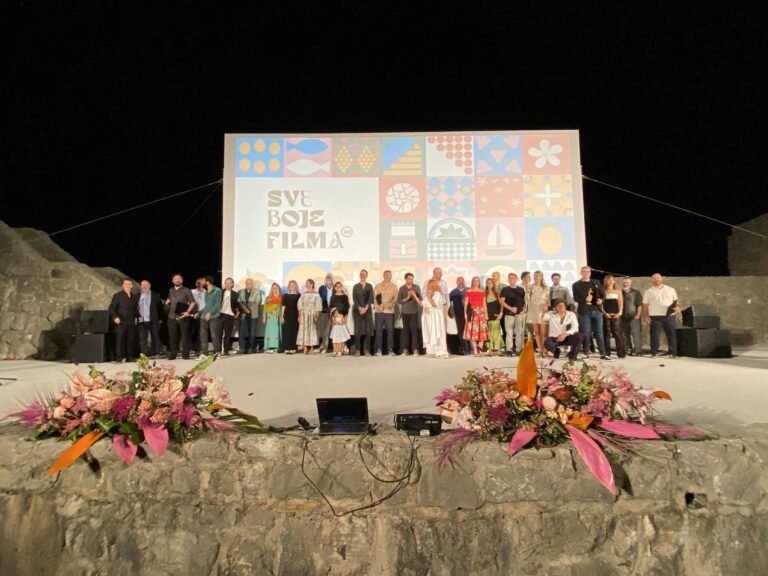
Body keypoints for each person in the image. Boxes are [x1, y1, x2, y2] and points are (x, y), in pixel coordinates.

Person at [572, 266, 610, 360]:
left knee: (599, 332)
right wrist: (585, 299)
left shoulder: (596, 282)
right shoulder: (576, 285)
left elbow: (603, 294)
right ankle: (586, 353)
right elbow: (576, 298)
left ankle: (603, 354)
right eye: (584, 271)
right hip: (584, 311)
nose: (586, 273)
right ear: (581, 273)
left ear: (590, 273)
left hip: (597, 310)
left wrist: (601, 300)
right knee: (586, 333)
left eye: (588, 271)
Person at [643, 273, 679, 358]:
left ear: (661, 278)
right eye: (654, 278)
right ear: (652, 280)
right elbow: (645, 305)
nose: (656, 279)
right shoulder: (648, 291)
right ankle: (654, 353)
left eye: (658, 278)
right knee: (655, 336)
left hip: (669, 316)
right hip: (655, 316)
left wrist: (677, 308)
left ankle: (673, 353)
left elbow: (676, 302)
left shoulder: (671, 289)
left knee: (671, 334)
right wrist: (646, 316)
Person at [108, 278, 139, 363]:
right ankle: (119, 358)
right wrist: (115, 317)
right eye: (126, 284)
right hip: (121, 321)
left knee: (130, 341)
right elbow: (111, 308)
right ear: (122, 285)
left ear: (132, 286)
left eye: (129, 284)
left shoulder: (134, 297)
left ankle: (130, 357)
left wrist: (138, 316)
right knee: (120, 340)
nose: (127, 285)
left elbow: (135, 310)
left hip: (131, 322)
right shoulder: (117, 295)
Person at [166, 274, 195, 360]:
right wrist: (166, 304)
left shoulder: (186, 290)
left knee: (185, 336)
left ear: (182, 280)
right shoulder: (170, 290)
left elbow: (192, 302)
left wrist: (188, 312)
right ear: (172, 281)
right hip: (172, 316)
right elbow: (169, 299)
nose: (177, 280)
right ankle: (173, 354)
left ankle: (185, 354)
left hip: (183, 316)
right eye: (175, 279)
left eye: (179, 279)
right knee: (172, 336)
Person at [500, 272, 526, 356]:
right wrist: (511, 308)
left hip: (519, 314)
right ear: (508, 279)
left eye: (513, 278)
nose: (511, 279)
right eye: (510, 278)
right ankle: (509, 350)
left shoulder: (521, 290)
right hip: (508, 314)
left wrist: (523, 310)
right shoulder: (505, 290)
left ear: (516, 279)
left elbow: (524, 302)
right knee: (509, 332)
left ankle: (518, 349)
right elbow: (502, 302)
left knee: (519, 332)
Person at [421, 279, 449, 358]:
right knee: (431, 332)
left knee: (437, 332)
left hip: (436, 316)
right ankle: (432, 351)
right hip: (429, 316)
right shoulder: (429, 294)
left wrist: (428, 296)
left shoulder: (437, 294)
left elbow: (435, 304)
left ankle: (441, 352)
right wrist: (415, 296)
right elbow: (423, 303)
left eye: (429, 285)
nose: (427, 286)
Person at [137, 280, 164, 358]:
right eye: (143, 285)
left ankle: (157, 353)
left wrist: (160, 318)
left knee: (155, 337)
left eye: (146, 285)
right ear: (140, 286)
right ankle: (144, 354)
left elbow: (160, 308)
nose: (144, 286)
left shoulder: (156, 295)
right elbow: (134, 308)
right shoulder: (137, 296)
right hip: (141, 321)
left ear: (150, 286)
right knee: (142, 338)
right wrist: (137, 316)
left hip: (153, 320)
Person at [373, 270, 398, 356]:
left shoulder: (394, 287)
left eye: (390, 275)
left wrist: (387, 305)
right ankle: (378, 350)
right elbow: (374, 299)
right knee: (378, 331)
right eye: (387, 275)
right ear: (383, 276)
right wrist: (378, 307)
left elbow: (395, 300)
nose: (389, 277)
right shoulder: (377, 286)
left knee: (390, 331)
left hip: (389, 312)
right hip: (379, 312)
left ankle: (390, 350)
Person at [601, 274, 626, 358]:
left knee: (617, 333)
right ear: (606, 281)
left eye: (612, 280)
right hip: (606, 315)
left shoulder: (618, 290)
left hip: (616, 314)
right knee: (607, 334)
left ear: (614, 281)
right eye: (609, 280)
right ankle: (607, 353)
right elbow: (601, 304)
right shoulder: (603, 290)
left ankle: (621, 353)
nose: (610, 281)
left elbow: (620, 302)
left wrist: (619, 312)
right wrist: (605, 313)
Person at [463, 276, 488, 357]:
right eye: (475, 281)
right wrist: (465, 314)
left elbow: (484, 304)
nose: (476, 282)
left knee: (482, 331)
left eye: (477, 281)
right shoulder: (468, 291)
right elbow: (466, 304)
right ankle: (475, 350)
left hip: (481, 313)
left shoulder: (482, 291)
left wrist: (486, 314)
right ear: (472, 282)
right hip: (472, 313)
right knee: (472, 332)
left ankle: (480, 349)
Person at [398, 273, 422, 357]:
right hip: (405, 312)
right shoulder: (402, 288)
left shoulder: (416, 287)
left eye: (412, 279)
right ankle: (405, 349)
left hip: (414, 312)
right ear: (405, 279)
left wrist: (414, 295)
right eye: (409, 279)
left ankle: (415, 349)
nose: (411, 280)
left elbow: (420, 299)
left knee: (414, 330)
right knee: (405, 331)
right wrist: (408, 297)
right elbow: (399, 301)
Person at [352, 270, 375, 356]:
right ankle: (358, 350)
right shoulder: (355, 286)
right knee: (357, 330)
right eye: (361, 274)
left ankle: (367, 350)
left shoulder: (369, 286)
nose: (362, 275)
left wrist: (365, 308)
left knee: (368, 330)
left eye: (364, 274)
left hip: (367, 310)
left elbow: (371, 298)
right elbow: (354, 299)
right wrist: (359, 308)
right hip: (357, 310)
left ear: (367, 275)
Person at [296, 279, 322, 354]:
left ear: (312, 284)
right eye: (306, 283)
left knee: (312, 330)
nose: (306, 284)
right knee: (304, 330)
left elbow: (318, 305)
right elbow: (300, 305)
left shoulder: (316, 294)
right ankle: (305, 347)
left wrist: (317, 314)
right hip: (304, 313)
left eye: (307, 283)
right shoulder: (303, 294)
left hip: (312, 313)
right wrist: (299, 316)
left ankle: (311, 348)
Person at [199, 275, 222, 356]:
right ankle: (205, 353)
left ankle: (217, 352)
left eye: (203, 281)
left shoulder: (217, 291)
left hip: (214, 316)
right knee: (203, 335)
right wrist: (199, 312)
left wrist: (210, 313)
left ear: (207, 282)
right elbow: (204, 305)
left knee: (214, 334)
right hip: (203, 316)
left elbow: (217, 304)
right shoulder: (205, 292)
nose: (201, 283)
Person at [528, 271, 550, 359]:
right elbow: (528, 299)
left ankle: (545, 350)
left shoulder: (546, 288)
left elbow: (548, 300)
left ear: (541, 277)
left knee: (543, 333)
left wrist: (547, 306)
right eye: (534, 276)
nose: (535, 278)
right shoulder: (531, 287)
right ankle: (540, 351)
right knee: (536, 332)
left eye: (537, 276)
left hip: (542, 310)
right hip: (533, 310)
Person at [621, 277, 644, 356]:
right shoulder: (619, 292)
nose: (625, 284)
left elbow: (639, 305)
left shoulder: (636, 293)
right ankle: (628, 350)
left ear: (630, 283)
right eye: (624, 282)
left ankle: (638, 351)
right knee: (624, 334)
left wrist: (638, 315)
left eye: (627, 282)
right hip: (623, 317)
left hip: (634, 317)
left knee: (636, 334)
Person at [238, 278, 261, 354]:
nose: (248, 285)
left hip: (253, 314)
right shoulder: (241, 291)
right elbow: (240, 302)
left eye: (250, 283)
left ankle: (251, 348)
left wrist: (249, 309)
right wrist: (245, 309)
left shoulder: (257, 291)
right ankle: (242, 348)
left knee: (252, 332)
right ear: (245, 284)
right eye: (247, 283)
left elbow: (257, 302)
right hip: (244, 314)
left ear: (253, 284)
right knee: (242, 331)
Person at [329, 282, 351, 357]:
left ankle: (340, 350)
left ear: (342, 287)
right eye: (337, 286)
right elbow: (331, 307)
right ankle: (335, 350)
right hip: (335, 317)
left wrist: (345, 317)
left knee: (341, 335)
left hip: (342, 317)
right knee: (336, 335)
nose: (338, 288)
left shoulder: (345, 296)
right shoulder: (333, 296)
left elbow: (347, 307)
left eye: (340, 286)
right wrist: (332, 318)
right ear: (335, 288)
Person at [220, 277, 240, 355]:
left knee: (228, 334)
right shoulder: (220, 292)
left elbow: (237, 305)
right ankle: (218, 350)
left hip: (230, 315)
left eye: (229, 283)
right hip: (220, 314)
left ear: (232, 284)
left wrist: (237, 312)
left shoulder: (236, 294)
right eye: (226, 283)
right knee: (218, 333)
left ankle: (225, 350)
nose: (227, 284)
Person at [449, 277, 469, 355]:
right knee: (461, 331)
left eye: (462, 281)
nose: (461, 282)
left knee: (469, 330)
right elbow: (448, 303)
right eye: (459, 281)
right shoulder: (453, 292)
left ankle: (471, 348)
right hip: (459, 314)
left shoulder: (469, 290)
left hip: (469, 314)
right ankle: (464, 348)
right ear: (456, 282)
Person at [317, 273, 335, 354]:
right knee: (325, 330)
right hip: (324, 311)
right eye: (327, 278)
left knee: (335, 330)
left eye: (330, 278)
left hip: (334, 312)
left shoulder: (335, 288)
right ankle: (324, 346)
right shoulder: (322, 288)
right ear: (325, 280)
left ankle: (335, 347)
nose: (329, 279)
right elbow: (320, 299)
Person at [262, 283, 283, 353]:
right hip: (270, 317)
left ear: (279, 289)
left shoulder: (281, 298)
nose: (275, 289)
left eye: (276, 288)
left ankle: (277, 347)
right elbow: (265, 309)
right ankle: (268, 347)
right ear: (271, 289)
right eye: (273, 288)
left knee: (277, 331)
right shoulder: (268, 298)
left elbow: (283, 308)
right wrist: (264, 317)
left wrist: (282, 317)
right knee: (269, 331)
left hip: (278, 317)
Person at [485, 278, 503, 355]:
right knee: (489, 332)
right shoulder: (484, 294)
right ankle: (490, 349)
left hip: (496, 316)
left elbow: (501, 305)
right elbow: (483, 306)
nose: (489, 284)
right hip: (488, 316)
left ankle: (497, 348)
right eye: (488, 282)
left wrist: (500, 313)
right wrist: (485, 315)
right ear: (486, 284)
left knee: (497, 332)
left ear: (493, 284)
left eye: (491, 282)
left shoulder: (497, 294)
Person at [281, 280, 300, 354]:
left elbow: (299, 307)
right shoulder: (285, 295)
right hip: (287, 315)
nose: (291, 286)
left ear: (295, 286)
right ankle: (287, 348)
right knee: (286, 331)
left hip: (295, 315)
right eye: (290, 285)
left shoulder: (298, 295)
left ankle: (293, 347)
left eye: (293, 285)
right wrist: (282, 316)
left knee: (294, 331)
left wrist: (299, 316)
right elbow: (283, 306)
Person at [190, 277, 207, 358]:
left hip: (202, 314)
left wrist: (199, 313)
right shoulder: (192, 291)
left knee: (200, 333)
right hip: (192, 314)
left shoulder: (206, 293)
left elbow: (207, 304)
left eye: (201, 283)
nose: (199, 284)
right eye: (198, 283)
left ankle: (198, 350)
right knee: (191, 332)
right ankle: (191, 347)